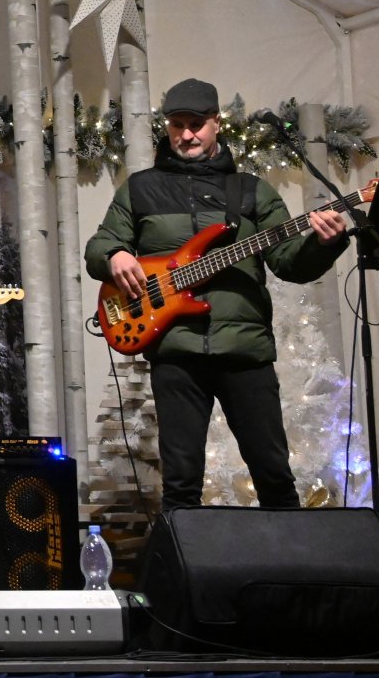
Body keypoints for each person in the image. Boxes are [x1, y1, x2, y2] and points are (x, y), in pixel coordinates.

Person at [85, 77, 348, 511]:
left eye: (196, 125)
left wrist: (324, 243)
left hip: (245, 352)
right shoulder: (141, 189)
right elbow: (99, 246)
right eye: (177, 125)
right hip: (176, 351)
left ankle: (284, 575)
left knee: (274, 475)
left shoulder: (250, 191)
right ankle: (182, 578)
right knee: (182, 485)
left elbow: (288, 263)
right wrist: (114, 256)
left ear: (216, 124)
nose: (186, 134)